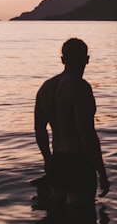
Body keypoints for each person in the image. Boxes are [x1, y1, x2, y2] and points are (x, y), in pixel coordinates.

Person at [35, 37, 109, 207]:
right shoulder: (80, 87)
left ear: (62, 60)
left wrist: (48, 159)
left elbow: (39, 128)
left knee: (58, 219)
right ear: (87, 59)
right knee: (82, 221)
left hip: (57, 159)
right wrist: (102, 172)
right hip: (79, 162)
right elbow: (87, 133)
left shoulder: (46, 87)